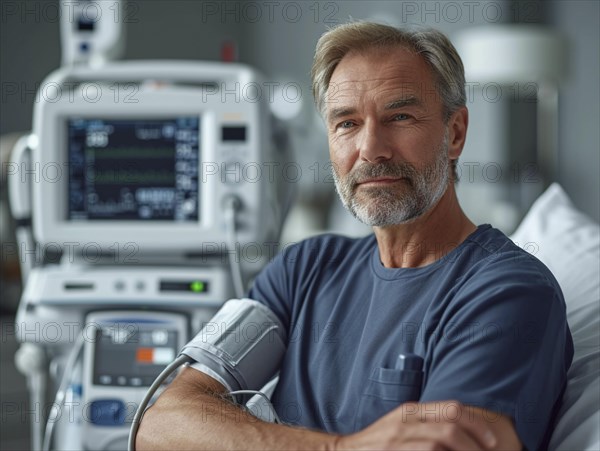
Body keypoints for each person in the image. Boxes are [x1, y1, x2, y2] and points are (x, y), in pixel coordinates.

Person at [136, 22, 573, 450]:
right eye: (346, 123)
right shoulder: (301, 269)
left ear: (454, 133)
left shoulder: (506, 292)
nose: (371, 149)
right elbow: (162, 423)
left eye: (399, 116)